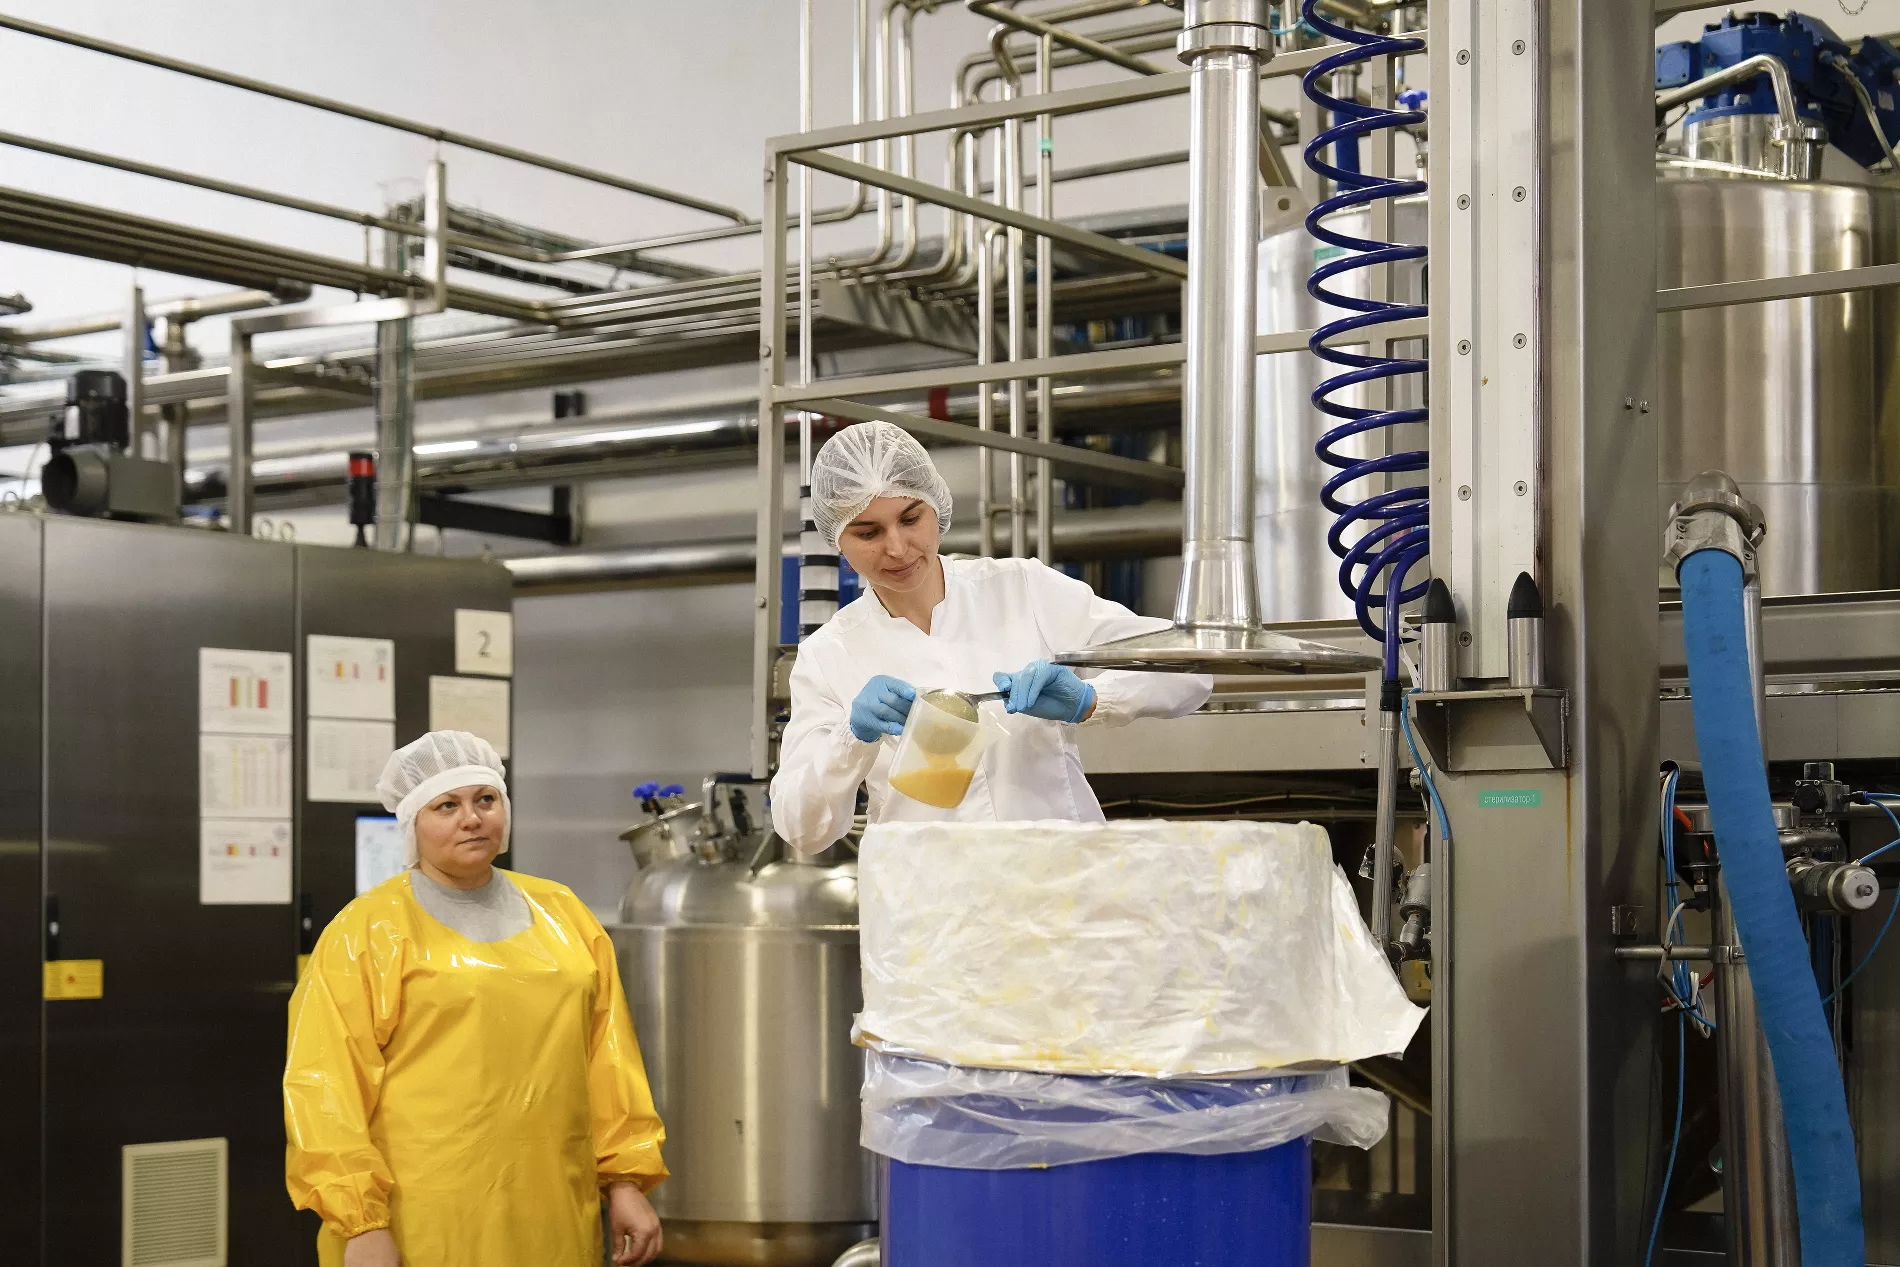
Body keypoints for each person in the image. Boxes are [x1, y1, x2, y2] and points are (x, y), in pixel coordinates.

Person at [284, 731, 667, 1267]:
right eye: (447, 805)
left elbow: (609, 1059)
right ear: (413, 822)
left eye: (486, 799)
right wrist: (361, 1223)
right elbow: (326, 1083)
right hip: (423, 1217)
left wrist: (625, 1180)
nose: (472, 818)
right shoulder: (368, 930)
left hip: (554, 1209)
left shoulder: (562, 912)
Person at [771, 420, 1212, 853]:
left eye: (911, 518)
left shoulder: (1023, 589)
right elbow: (801, 829)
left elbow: (1188, 669)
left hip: (1057, 876)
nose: (898, 548)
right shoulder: (828, 655)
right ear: (836, 539)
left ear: (935, 506)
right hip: (930, 890)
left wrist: (1091, 700)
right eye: (868, 532)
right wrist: (851, 738)